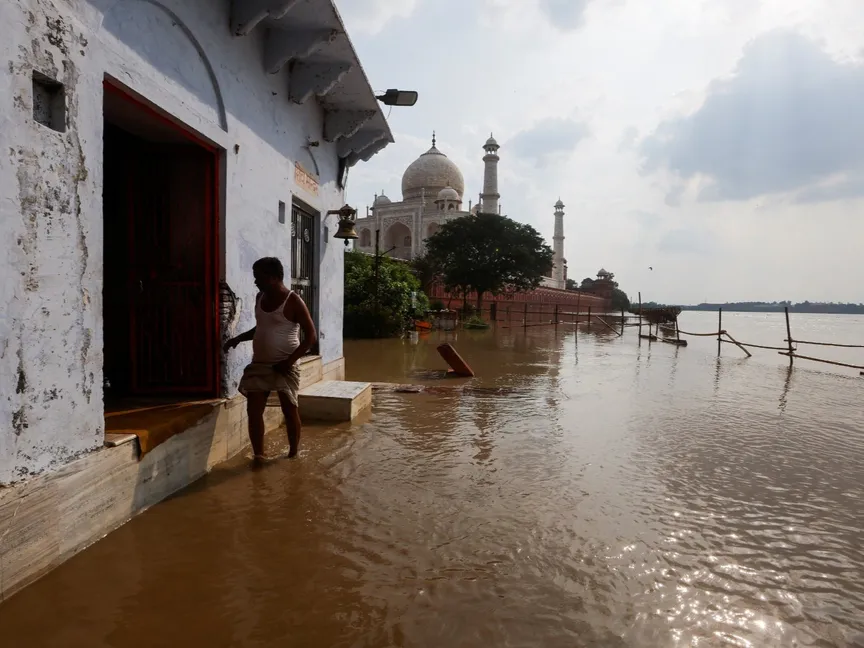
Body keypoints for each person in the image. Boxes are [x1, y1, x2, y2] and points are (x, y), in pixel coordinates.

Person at [223, 257, 316, 460]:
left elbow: (310, 337)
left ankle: (293, 454)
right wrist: (238, 338)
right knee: (254, 410)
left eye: (259, 277)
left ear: (273, 278)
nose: (255, 281)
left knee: (289, 409)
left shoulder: (293, 300)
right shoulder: (259, 297)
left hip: (285, 365)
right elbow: (262, 327)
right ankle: (259, 456)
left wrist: (289, 362)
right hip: (260, 364)